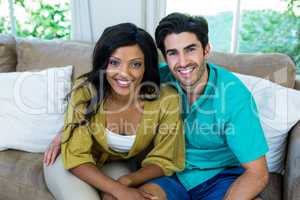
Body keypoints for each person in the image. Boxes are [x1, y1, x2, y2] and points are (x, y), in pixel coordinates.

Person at [43, 22, 185, 200]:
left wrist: (127, 181)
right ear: (103, 63)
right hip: (69, 163)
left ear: (146, 66)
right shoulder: (85, 92)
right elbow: (76, 156)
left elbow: (165, 159)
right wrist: (120, 190)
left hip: (114, 164)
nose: (124, 73)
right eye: (114, 62)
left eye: (135, 64)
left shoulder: (166, 100)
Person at [145, 12, 269, 200]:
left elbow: (257, 173)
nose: (183, 62)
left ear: (206, 49)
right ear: (165, 57)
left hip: (221, 177)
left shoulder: (234, 96)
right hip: (169, 174)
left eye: (190, 49)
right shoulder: (157, 80)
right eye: (173, 53)